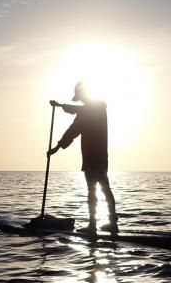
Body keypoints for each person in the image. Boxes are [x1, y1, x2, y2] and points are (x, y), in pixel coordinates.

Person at [47, 81, 118, 236]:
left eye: (80, 96)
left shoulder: (97, 107)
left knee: (96, 189)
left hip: (95, 157)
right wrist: (56, 148)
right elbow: (72, 131)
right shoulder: (85, 112)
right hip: (93, 157)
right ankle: (109, 223)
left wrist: (61, 106)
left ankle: (98, 225)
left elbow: (83, 112)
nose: (80, 100)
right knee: (100, 189)